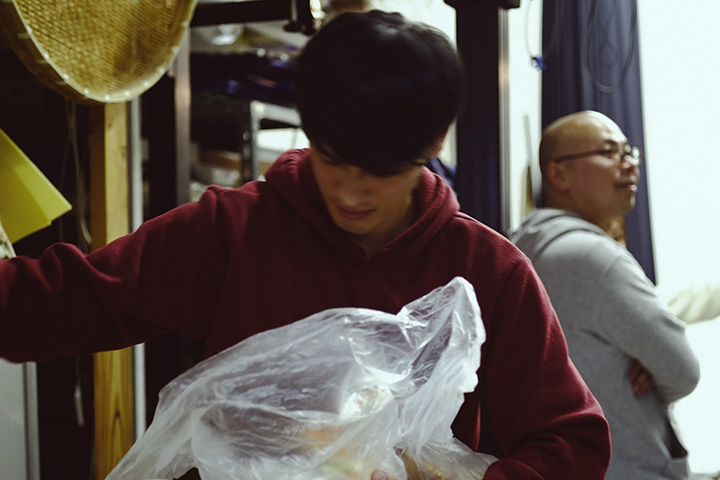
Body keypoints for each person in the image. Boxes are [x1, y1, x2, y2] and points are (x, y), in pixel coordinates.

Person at [0, 11, 611, 479]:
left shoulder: (487, 270)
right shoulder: (233, 231)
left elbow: (573, 443)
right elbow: (60, 303)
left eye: (380, 170)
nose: (350, 191)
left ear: (435, 144)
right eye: (332, 159)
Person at [510, 110, 700, 480]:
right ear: (558, 174)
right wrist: (651, 364)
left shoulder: (524, 246)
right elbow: (683, 370)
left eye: (629, 152)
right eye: (610, 152)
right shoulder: (594, 257)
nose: (629, 164)